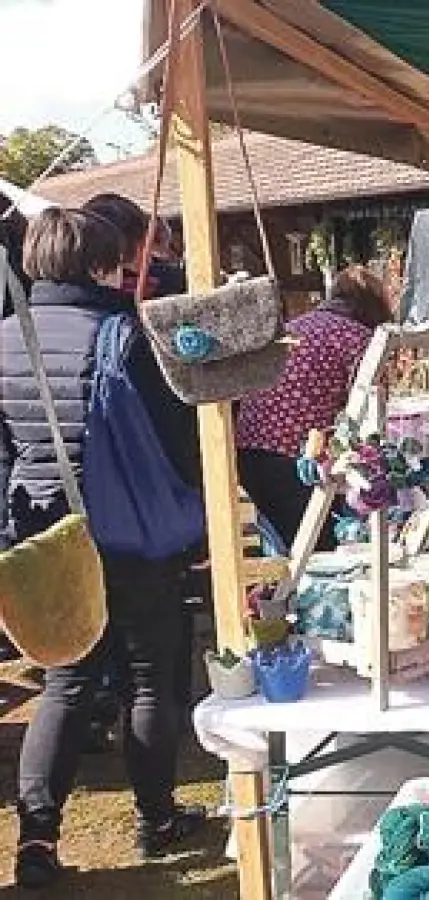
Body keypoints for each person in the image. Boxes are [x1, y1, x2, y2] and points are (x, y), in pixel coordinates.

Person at [0, 208, 206, 887]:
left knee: (65, 681)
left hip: (45, 541)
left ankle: (36, 836)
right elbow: (177, 439)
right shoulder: (127, 335)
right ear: (99, 263)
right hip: (133, 535)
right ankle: (157, 818)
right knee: (150, 676)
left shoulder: (2, 342)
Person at [236, 265, 390, 549]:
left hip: (248, 449)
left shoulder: (294, 327)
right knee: (321, 549)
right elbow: (373, 411)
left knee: (288, 544)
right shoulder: (359, 339)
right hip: (295, 457)